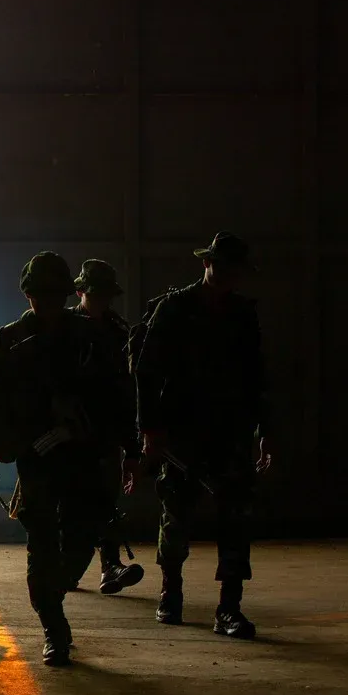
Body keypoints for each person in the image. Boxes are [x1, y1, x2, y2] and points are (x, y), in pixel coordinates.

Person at [0, 252, 127, 666]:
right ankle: (54, 630)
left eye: (55, 294)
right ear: (27, 295)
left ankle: (52, 594)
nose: (47, 302)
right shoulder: (10, 340)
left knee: (82, 539)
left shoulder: (91, 337)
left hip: (85, 456)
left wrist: (122, 446)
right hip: (36, 460)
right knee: (41, 545)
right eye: (40, 294)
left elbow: (118, 397)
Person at [136, 233, 272, 638]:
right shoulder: (174, 309)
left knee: (236, 517)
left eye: (236, 270)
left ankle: (229, 608)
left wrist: (266, 430)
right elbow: (147, 372)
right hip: (181, 431)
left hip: (230, 431)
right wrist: (150, 429)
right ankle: (170, 593)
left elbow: (257, 378)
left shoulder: (242, 315)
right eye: (223, 266)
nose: (229, 275)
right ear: (207, 264)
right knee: (176, 513)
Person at [67, 259, 144, 595]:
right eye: (94, 294)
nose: (100, 301)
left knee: (106, 500)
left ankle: (110, 565)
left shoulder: (117, 331)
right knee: (71, 506)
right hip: (69, 434)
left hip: (106, 432)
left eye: (105, 296)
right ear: (81, 291)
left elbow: (126, 393)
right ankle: (68, 567)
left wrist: (132, 446)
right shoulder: (65, 328)